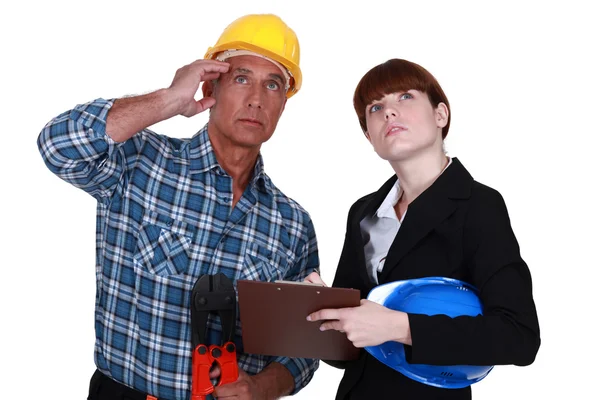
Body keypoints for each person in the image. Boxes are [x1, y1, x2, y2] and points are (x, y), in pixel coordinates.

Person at [37, 13, 319, 400]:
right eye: (241, 78)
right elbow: (57, 146)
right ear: (211, 84)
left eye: (273, 85)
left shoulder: (291, 223)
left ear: (284, 104)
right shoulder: (140, 162)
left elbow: (304, 346)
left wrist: (263, 386)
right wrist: (168, 100)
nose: (256, 98)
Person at [305, 58, 540, 399]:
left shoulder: (479, 205)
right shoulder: (363, 213)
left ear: (441, 115)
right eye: (376, 106)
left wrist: (399, 327)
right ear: (369, 136)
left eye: (405, 97)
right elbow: (345, 354)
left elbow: (518, 337)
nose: (389, 112)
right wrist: (319, 310)